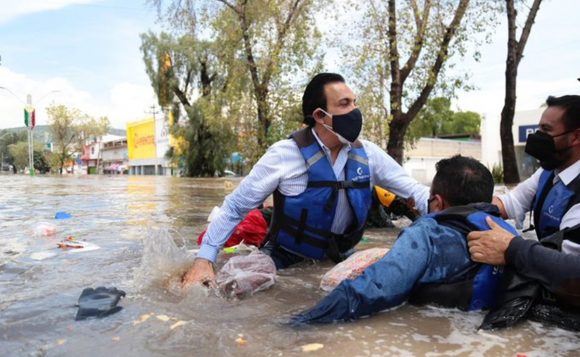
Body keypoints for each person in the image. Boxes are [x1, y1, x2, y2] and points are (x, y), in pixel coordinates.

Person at [182, 72, 429, 287]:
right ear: (320, 116)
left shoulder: (369, 154)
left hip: (341, 255)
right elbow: (235, 208)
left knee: (397, 279)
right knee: (241, 283)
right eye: (345, 104)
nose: (355, 112)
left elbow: (416, 193)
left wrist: (459, 217)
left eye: (355, 103)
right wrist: (204, 259)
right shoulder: (283, 155)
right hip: (283, 256)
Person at [290, 155, 519, 324]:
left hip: (438, 330)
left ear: (437, 202)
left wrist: (301, 322)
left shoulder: (428, 233)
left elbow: (373, 288)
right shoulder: (508, 234)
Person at [467, 95, 580, 329]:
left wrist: (511, 249)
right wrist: (461, 207)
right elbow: (508, 203)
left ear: (576, 136)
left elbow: (572, 272)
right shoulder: (549, 173)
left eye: (546, 130)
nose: (538, 138)